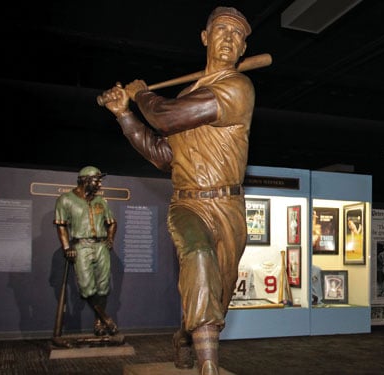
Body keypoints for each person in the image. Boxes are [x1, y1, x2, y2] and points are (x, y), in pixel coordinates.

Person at [98, 6, 254, 374]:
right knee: (198, 256)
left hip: (229, 207)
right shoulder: (188, 95)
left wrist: (140, 95)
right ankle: (209, 366)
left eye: (238, 35)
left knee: (219, 296)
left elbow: (165, 117)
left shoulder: (237, 87)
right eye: (222, 30)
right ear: (205, 37)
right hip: (188, 205)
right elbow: (163, 155)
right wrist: (124, 115)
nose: (229, 38)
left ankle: (186, 337)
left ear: (244, 49)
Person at [54, 166, 118, 337]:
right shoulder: (66, 200)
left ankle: (98, 323)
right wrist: (67, 247)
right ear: (85, 180)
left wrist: (110, 239)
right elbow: (61, 226)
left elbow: (112, 222)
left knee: (103, 287)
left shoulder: (101, 202)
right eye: (97, 180)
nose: (99, 184)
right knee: (86, 287)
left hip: (101, 246)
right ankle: (106, 318)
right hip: (81, 246)